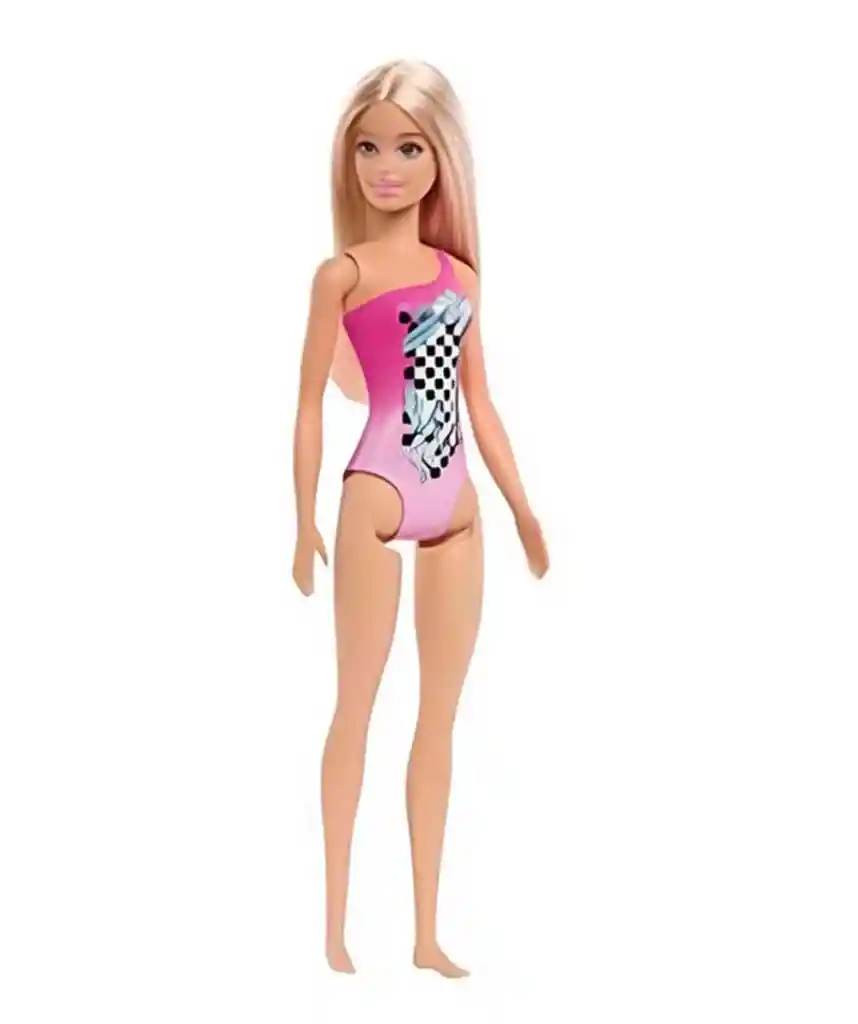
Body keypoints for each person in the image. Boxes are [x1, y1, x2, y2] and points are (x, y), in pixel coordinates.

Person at [291, 59, 549, 978]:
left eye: (407, 148)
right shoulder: (342, 274)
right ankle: (334, 927)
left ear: (441, 159)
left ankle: (426, 934)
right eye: (367, 148)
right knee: (356, 706)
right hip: (376, 489)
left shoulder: (461, 278)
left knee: (438, 719)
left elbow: (481, 403)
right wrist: (301, 520)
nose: (386, 167)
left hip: (458, 506)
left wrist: (523, 508)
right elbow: (309, 405)